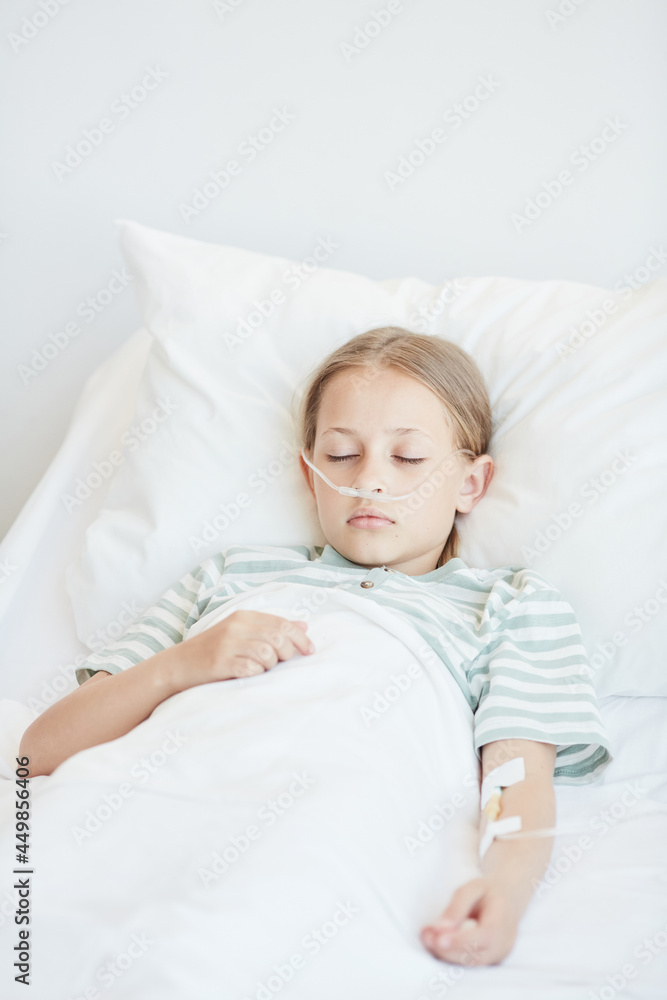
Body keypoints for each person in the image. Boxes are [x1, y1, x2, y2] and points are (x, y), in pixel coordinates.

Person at [19, 325, 611, 967]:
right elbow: (38, 752)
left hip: (325, 819)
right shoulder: (230, 576)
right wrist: (182, 666)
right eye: (340, 455)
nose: (372, 481)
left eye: (408, 458)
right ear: (309, 474)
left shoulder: (511, 606)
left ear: (471, 483)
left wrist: (503, 889)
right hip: (138, 806)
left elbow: (518, 778)